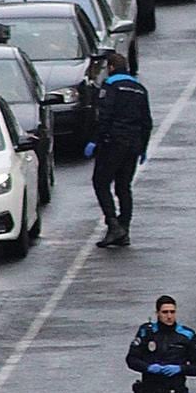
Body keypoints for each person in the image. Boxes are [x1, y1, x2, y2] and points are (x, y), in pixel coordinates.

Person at [86, 52, 152, 247]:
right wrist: (143, 147)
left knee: (101, 182)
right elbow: (146, 121)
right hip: (133, 144)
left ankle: (113, 225)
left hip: (113, 143)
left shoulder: (111, 86)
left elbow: (104, 116)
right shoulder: (140, 89)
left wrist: (95, 140)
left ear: (111, 68)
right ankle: (124, 229)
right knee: (124, 187)